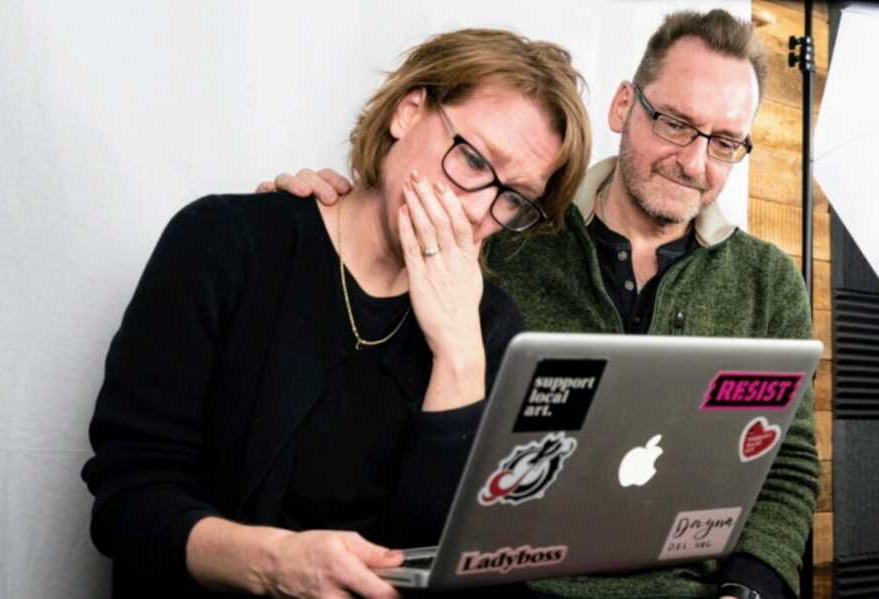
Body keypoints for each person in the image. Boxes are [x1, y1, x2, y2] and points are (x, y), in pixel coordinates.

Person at [260, 10, 819, 599]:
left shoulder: (768, 281)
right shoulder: (501, 230)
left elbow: (789, 467)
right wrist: (323, 218)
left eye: (726, 142)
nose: (696, 162)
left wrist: (749, 589)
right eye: (676, 124)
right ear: (624, 105)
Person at [81, 29, 591, 598]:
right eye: (472, 159)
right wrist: (273, 564)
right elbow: (129, 498)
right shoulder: (224, 243)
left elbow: (457, 568)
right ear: (408, 110)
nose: (477, 211)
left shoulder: (493, 328)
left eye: (513, 198)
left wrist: (458, 356)